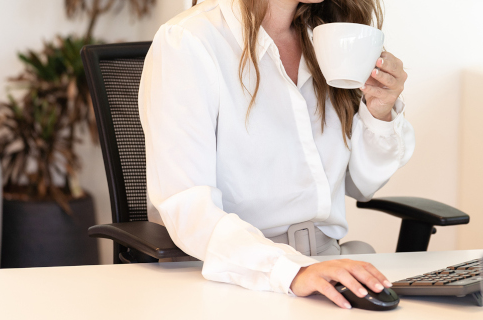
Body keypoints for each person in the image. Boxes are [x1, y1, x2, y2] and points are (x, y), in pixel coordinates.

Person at [138, 0, 414, 309]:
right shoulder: (189, 41)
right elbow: (189, 209)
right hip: (234, 280)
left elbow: (362, 184)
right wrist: (292, 270)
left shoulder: (327, 37)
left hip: (326, 265)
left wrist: (379, 112)